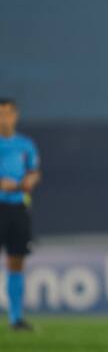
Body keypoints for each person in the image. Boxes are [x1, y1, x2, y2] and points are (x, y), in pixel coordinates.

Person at [0, 98, 40, 331]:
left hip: (17, 208)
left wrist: (30, 181)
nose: (4, 118)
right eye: (0, 114)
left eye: (8, 113)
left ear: (15, 116)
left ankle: (16, 318)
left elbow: (34, 173)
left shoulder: (25, 145)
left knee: (16, 261)